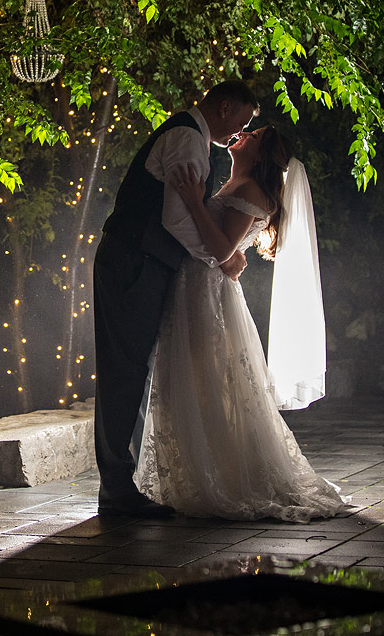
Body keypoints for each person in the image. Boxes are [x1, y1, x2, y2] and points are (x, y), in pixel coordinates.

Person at [133, 126, 348, 522]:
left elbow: (220, 248)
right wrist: (221, 245)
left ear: (262, 153)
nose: (242, 134)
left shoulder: (251, 190)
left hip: (206, 294)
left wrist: (195, 202)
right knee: (200, 380)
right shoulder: (239, 183)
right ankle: (204, 469)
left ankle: (222, 476)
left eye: (253, 135)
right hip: (199, 288)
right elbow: (222, 249)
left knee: (208, 380)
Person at [93, 80, 258, 517]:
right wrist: (220, 257)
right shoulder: (188, 138)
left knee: (130, 369)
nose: (240, 131)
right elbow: (175, 218)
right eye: (242, 120)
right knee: (124, 370)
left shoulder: (191, 136)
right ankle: (115, 489)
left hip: (138, 258)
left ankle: (118, 484)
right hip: (136, 260)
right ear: (225, 106)